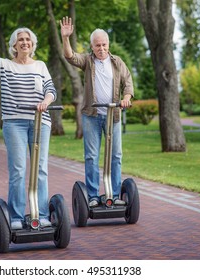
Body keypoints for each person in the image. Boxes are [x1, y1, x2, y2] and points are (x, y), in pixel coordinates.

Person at [0, 8, 57, 229]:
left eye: (28, 40)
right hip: (14, 123)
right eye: (20, 40)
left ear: (33, 45)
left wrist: (47, 102)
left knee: (40, 169)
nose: (25, 43)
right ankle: (15, 217)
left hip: (40, 121)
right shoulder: (5, 65)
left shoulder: (40, 66)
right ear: (14, 45)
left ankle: (41, 214)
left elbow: (51, 89)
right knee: (18, 170)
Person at [60, 17, 134, 207]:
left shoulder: (117, 62)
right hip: (92, 116)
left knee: (116, 155)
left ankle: (114, 194)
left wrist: (126, 98)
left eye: (104, 44)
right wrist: (66, 38)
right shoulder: (87, 61)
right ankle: (92, 196)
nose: (101, 48)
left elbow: (128, 82)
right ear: (92, 47)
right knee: (91, 156)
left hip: (113, 116)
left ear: (108, 45)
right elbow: (70, 56)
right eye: (97, 45)